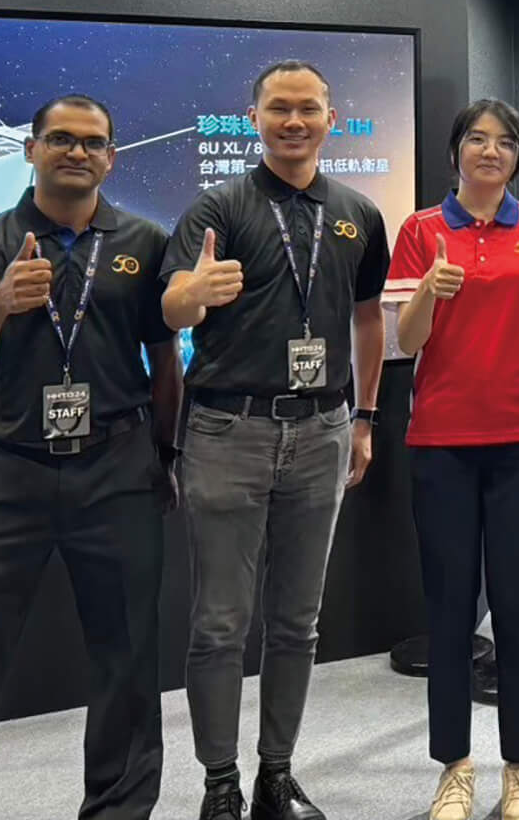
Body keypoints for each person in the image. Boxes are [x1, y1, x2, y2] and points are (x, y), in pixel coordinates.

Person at [0, 94, 183, 820]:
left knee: (127, 655)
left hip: (117, 469)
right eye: (60, 139)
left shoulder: (146, 242)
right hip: (7, 470)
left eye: (92, 142)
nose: (76, 152)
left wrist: (164, 455)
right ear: (30, 150)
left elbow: (165, 362)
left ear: (111, 158)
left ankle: (118, 809)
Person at [161, 61, 389, 820]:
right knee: (220, 624)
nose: (294, 121)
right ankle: (220, 784)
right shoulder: (218, 207)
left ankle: (276, 776)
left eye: (308, 109)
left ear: (331, 119)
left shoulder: (357, 213)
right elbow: (173, 306)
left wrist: (364, 417)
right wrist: (190, 298)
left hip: (323, 429)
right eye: (279, 108)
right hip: (229, 430)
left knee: (297, 622)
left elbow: (367, 319)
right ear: (253, 117)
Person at [382, 99, 519, 820]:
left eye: (504, 142)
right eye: (476, 139)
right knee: (449, 606)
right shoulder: (420, 230)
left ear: (518, 157)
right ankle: (454, 767)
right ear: (455, 152)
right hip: (441, 442)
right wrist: (428, 294)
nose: (490, 151)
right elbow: (404, 341)